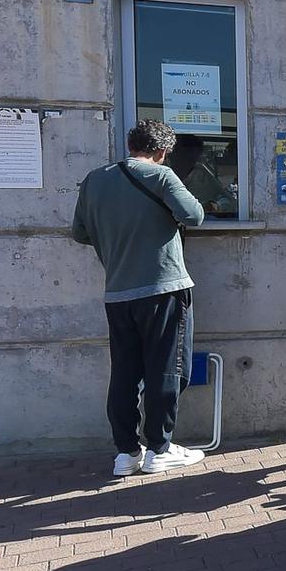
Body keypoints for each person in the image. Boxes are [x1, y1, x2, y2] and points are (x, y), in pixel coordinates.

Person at [70, 119, 208, 476]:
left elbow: (79, 233)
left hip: (117, 291)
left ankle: (126, 453)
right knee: (168, 368)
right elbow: (194, 215)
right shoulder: (161, 176)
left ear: (131, 144)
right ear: (162, 151)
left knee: (125, 373)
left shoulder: (94, 179)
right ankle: (159, 450)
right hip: (163, 287)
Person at [169, 134, 234, 216]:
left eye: (191, 158)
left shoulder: (202, 175)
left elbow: (228, 201)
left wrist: (214, 206)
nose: (186, 161)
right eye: (182, 155)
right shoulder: (161, 175)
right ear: (171, 155)